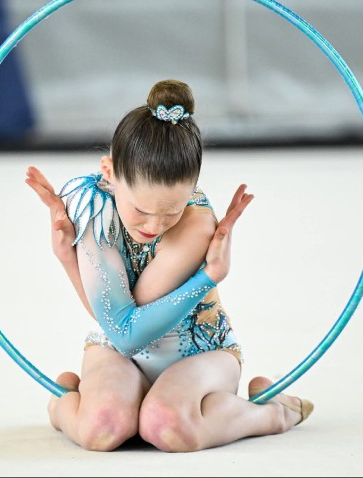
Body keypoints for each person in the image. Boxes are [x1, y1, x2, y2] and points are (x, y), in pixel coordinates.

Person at [25, 79, 313, 452]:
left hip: (198, 352)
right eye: (141, 210)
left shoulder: (196, 223)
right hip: (117, 349)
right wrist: (66, 257)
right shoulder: (94, 206)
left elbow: (130, 321)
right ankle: (65, 404)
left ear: (191, 188)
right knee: (102, 429)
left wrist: (208, 276)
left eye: (170, 212)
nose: (154, 225)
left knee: (166, 426)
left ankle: (274, 412)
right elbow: (120, 330)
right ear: (109, 174)